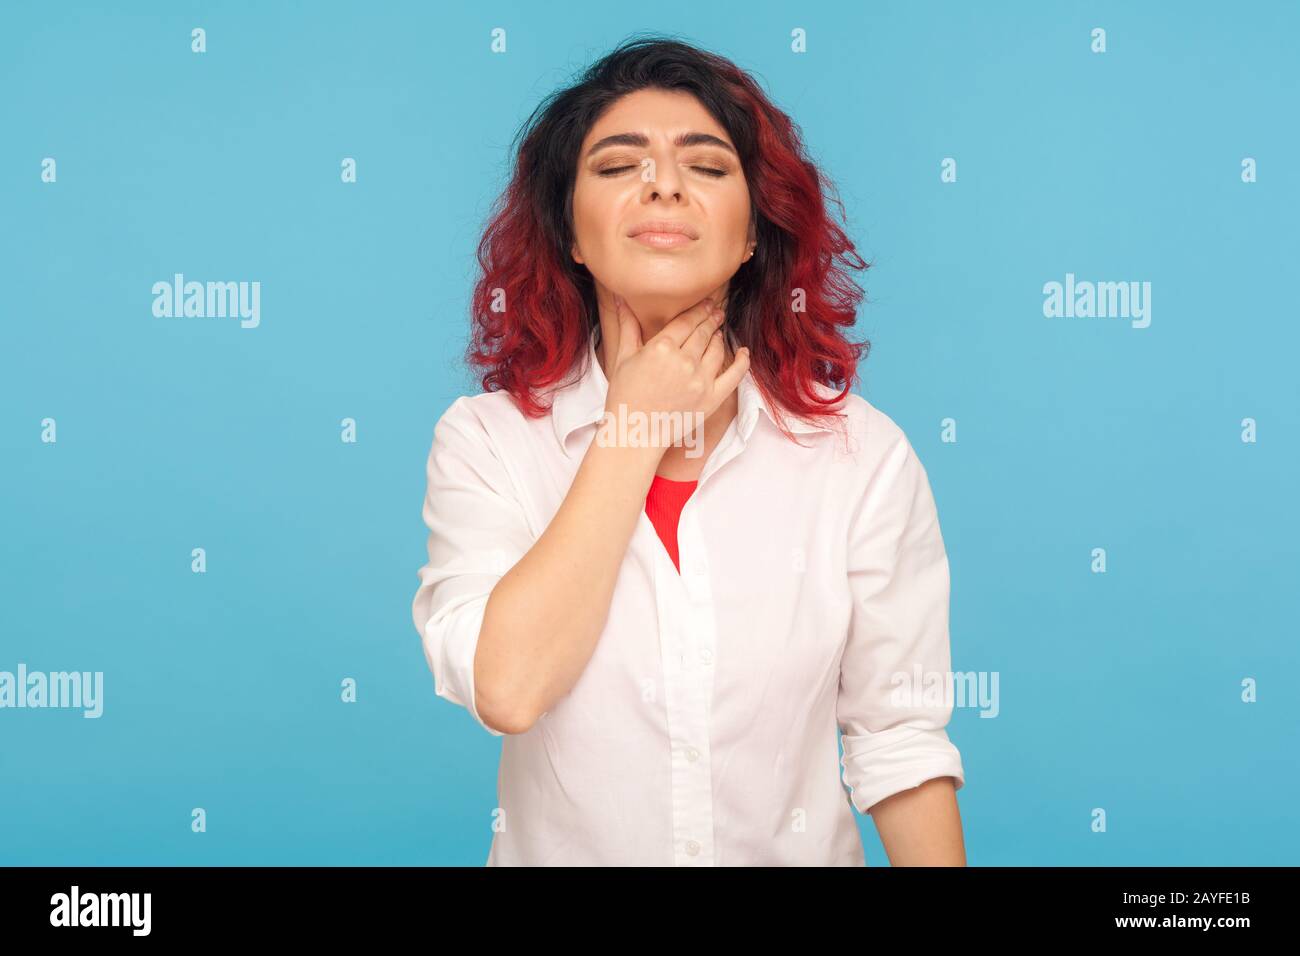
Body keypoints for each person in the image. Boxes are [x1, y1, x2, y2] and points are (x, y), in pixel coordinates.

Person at [412, 35, 966, 866]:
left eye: (706, 167)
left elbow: (900, 743)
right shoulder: (486, 443)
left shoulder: (861, 457)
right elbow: (509, 688)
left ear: (752, 236)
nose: (663, 183)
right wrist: (632, 428)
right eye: (616, 166)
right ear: (570, 231)